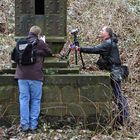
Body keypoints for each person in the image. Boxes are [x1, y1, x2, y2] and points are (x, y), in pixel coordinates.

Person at [76, 26, 129, 126]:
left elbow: (95, 49)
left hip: (115, 72)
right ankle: (123, 118)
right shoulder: (110, 42)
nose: (101, 32)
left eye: (102, 31)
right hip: (115, 70)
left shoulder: (108, 43)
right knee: (117, 95)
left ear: (107, 34)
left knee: (118, 95)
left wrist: (79, 48)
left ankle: (125, 119)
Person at [15, 25, 52, 133]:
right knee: (35, 100)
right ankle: (33, 126)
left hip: (22, 76)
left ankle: (24, 126)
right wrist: (43, 42)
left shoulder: (21, 42)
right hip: (35, 76)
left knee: (24, 100)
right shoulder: (40, 43)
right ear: (38, 34)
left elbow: (14, 56)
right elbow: (49, 52)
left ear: (30, 32)